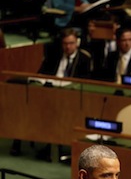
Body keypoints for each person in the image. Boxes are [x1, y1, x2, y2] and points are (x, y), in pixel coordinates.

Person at [11, 28, 93, 161]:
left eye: (71, 43)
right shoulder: (54, 55)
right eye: (65, 44)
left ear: (77, 43)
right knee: (24, 103)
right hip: (48, 92)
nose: (68, 47)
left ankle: (52, 146)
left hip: (70, 98)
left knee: (54, 111)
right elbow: (41, 73)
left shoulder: (84, 59)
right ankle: (18, 141)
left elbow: (84, 82)